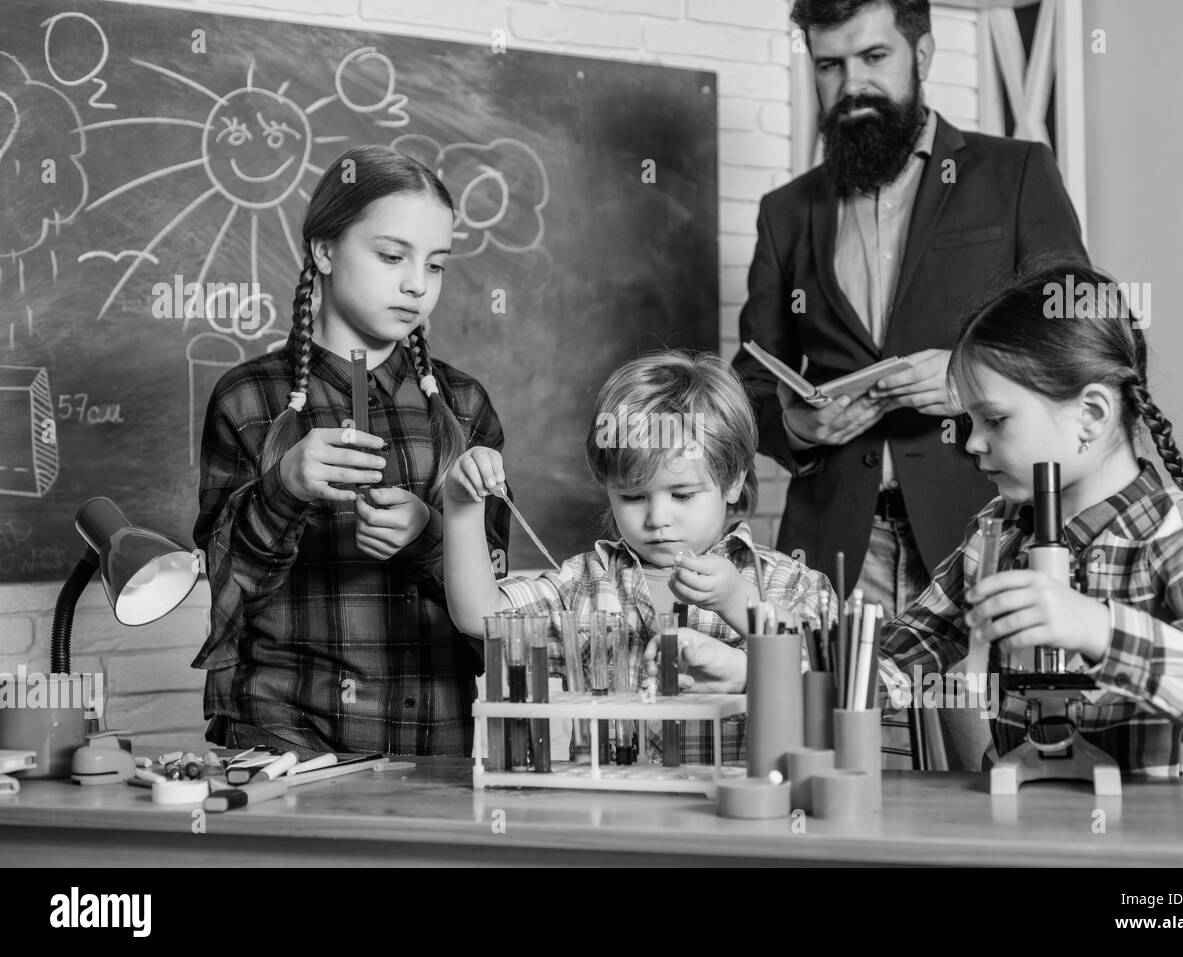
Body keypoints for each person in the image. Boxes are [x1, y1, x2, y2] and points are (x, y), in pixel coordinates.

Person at [732, 0, 1088, 768]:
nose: (851, 83)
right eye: (830, 65)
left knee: (993, 769)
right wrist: (796, 425)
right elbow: (750, 382)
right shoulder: (785, 212)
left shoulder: (1016, 172)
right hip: (833, 545)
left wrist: (970, 373)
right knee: (833, 765)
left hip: (984, 527)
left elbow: (1081, 328)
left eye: (873, 57)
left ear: (921, 51)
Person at [878, 261, 1183, 774]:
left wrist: (1097, 628)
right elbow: (908, 649)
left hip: (1140, 845)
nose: (973, 443)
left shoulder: (1182, 532)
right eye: (969, 421)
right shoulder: (996, 534)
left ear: (1090, 414)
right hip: (1022, 836)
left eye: (995, 419)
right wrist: (769, 671)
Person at [193, 145, 510, 755]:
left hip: (429, 737)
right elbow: (226, 583)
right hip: (281, 736)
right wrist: (283, 486)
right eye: (392, 255)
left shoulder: (464, 406)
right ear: (325, 250)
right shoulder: (249, 397)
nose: (417, 283)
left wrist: (429, 534)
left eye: (436, 264)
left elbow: (495, 606)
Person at [442, 350, 831, 764]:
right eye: (633, 496)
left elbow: (825, 682)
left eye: (682, 494)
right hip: (615, 816)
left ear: (733, 481)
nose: (658, 518)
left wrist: (739, 602)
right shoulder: (587, 583)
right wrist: (462, 504)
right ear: (606, 486)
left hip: (740, 818)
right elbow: (478, 613)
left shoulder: (788, 583)